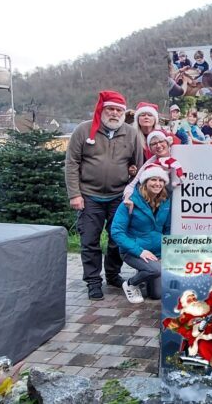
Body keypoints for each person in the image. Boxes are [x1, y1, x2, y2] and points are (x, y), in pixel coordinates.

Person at [65, 90, 143, 300]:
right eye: (111, 109)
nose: (115, 113)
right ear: (102, 110)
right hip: (89, 196)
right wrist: (75, 194)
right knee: (89, 240)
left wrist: (132, 195)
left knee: (117, 239)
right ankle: (92, 281)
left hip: (119, 196)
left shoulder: (130, 133)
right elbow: (72, 163)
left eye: (119, 110)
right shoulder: (83, 130)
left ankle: (112, 274)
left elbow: (138, 166)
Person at [111, 163, 171, 304]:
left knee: (156, 294)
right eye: (153, 180)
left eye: (161, 180)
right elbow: (116, 231)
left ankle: (145, 272)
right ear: (145, 182)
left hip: (157, 253)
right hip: (134, 251)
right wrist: (139, 251)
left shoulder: (166, 202)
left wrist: (167, 252)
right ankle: (130, 283)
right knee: (155, 270)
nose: (157, 184)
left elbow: (167, 229)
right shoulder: (130, 202)